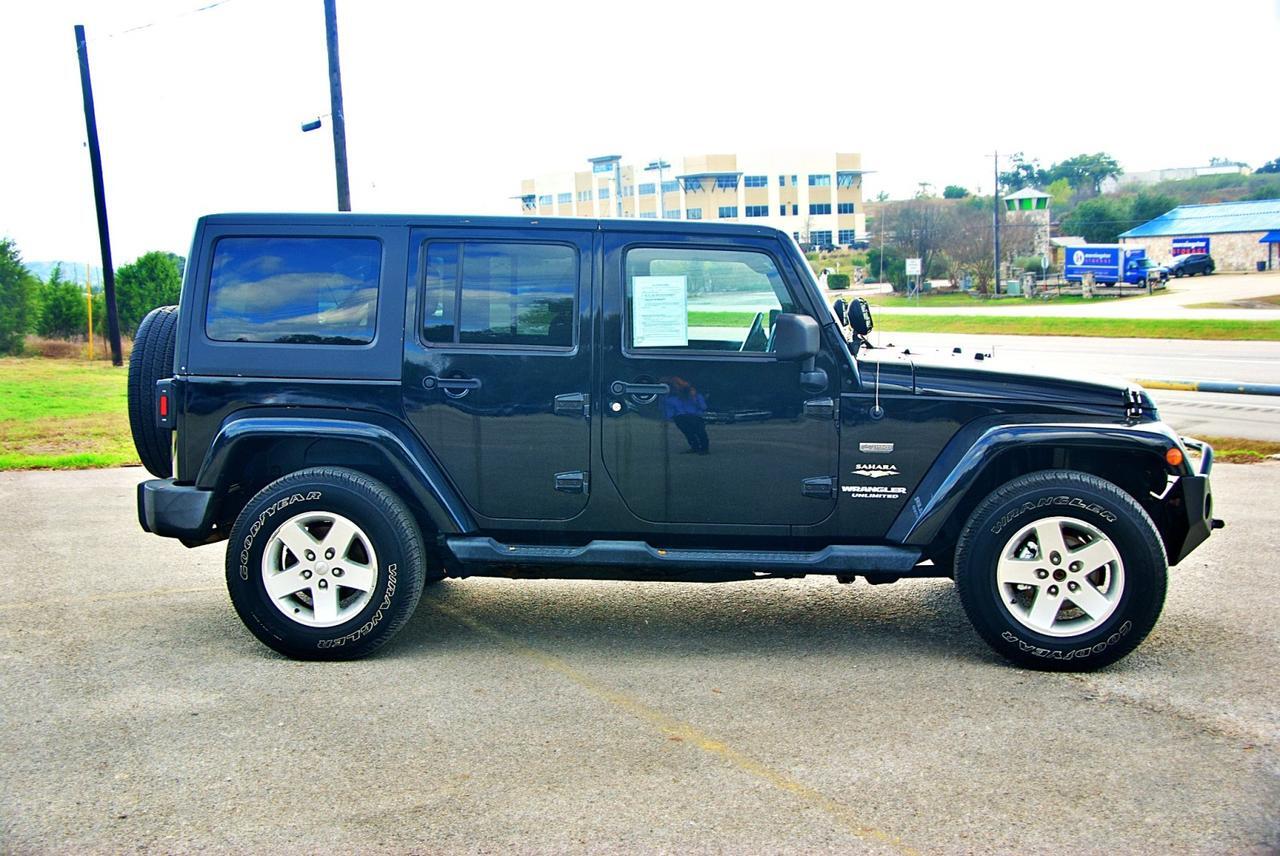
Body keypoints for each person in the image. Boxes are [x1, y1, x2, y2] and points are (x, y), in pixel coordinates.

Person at [661, 376, 709, 454]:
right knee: (688, 433)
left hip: (695, 417)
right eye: (676, 385)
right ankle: (695, 447)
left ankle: (705, 449)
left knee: (700, 432)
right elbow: (669, 407)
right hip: (680, 418)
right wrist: (670, 417)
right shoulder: (672, 397)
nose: (678, 387)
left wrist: (694, 398)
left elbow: (703, 407)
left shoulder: (696, 395)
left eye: (680, 384)